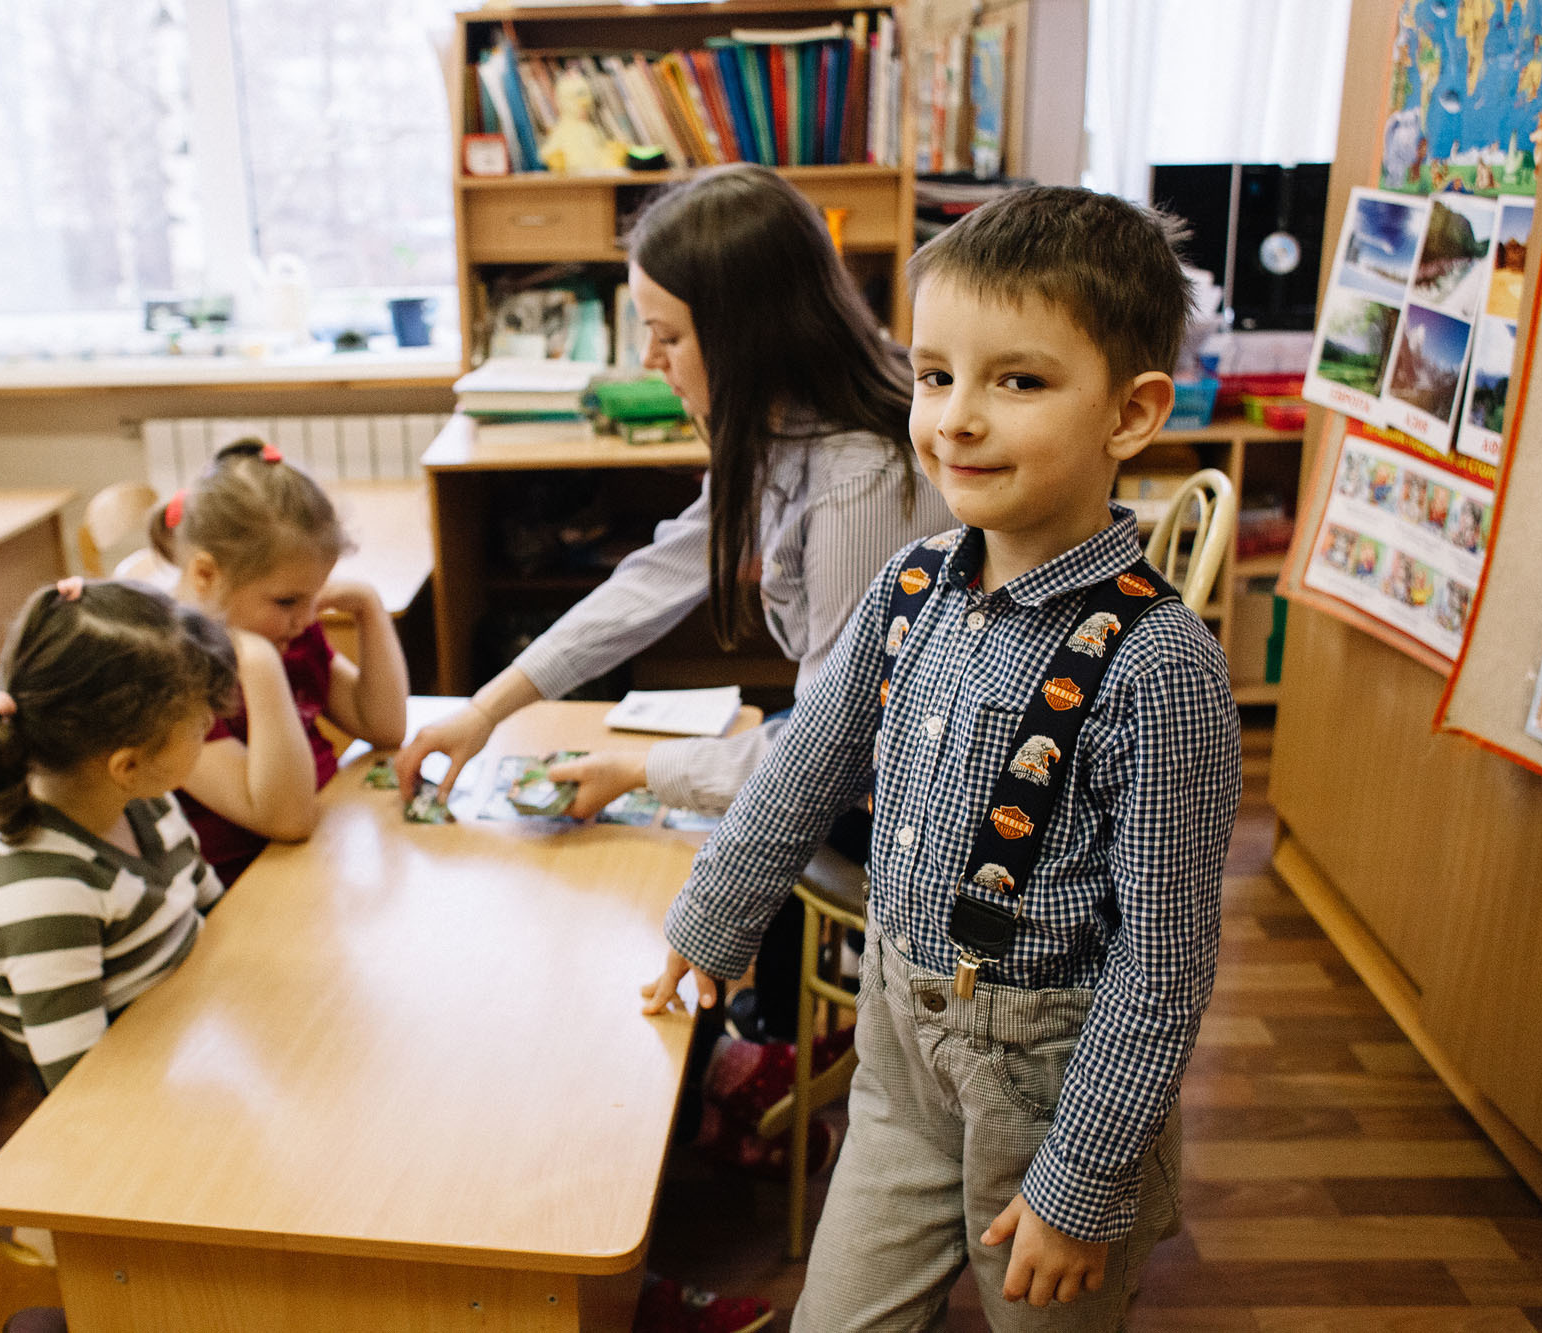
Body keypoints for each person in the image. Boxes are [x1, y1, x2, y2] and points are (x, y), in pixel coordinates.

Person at [641, 186, 1243, 1330]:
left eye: (1015, 381)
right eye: (933, 375)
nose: (954, 418)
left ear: (1129, 412)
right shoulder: (911, 577)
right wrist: (712, 915)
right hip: (896, 1058)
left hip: (1054, 1095)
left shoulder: (1161, 670)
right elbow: (802, 767)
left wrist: (1081, 1182)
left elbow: (1161, 967)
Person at [394, 162, 954, 1041]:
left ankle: (758, 1041)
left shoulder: (858, 487)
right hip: (858, 759)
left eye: (665, 336)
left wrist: (640, 772)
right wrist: (489, 707)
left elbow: (833, 761)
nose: (649, 361)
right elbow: (658, 574)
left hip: (914, 820)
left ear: (745, 335)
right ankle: (759, 1029)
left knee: (648, 885)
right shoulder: (790, 416)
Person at [0, 577, 239, 1091]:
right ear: (128, 765)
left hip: (196, 1041)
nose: (210, 722)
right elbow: (81, 1091)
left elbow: (214, 919)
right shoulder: (44, 898)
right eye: (199, 723)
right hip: (136, 1103)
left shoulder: (145, 802)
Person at [153, 439, 410, 884]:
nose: (309, 618)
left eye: (317, 594)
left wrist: (368, 608)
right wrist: (257, 663)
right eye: (289, 599)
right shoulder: (172, 676)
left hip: (320, 849)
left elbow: (383, 726)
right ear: (205, 576)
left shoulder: (282, 630)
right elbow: (286, 819)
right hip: (242, 888)